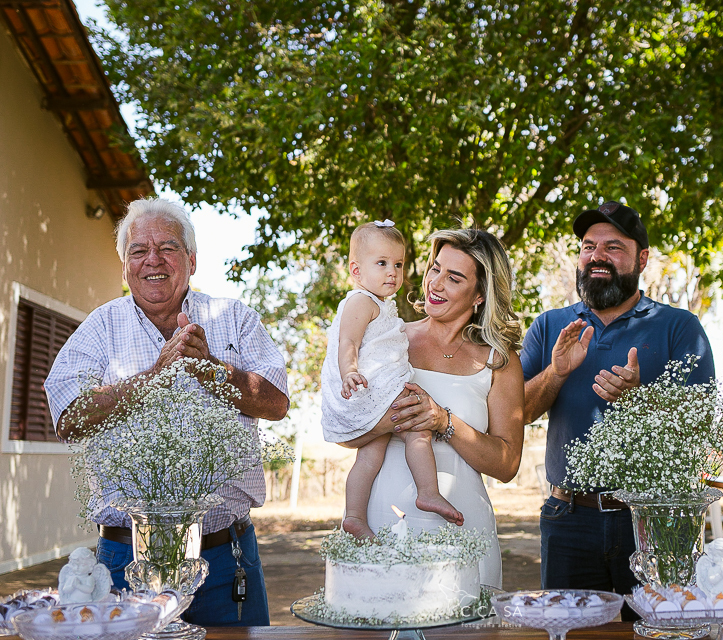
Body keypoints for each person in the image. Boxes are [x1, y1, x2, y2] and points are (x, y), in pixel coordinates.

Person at [44, 197, 289, 627]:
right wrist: (153, 377)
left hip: (225, 558)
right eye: (138, 250)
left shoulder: (235, 318)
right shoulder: (100, 327)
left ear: (191, 260)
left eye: (168, 248)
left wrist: (211, 369)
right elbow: (68, 417)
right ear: (125, 266)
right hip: (125, 560)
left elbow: (276, 402)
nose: (152, 260)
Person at [521, 201, 715, 609]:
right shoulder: (550, 325)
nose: (597, 256)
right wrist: (556, 372)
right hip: (567, 520)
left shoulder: (680, 327)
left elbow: (702, 425)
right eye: (588, 246)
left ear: (642, 259)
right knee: (569, 632)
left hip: (654, 520)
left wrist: (641, 399)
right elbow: (517, 413)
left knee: (657, 630)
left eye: (613, 247)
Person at [338, 228, 525, 588]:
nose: (435, 284)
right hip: (376, 521)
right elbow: (343, 429)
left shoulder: (499, 361)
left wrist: (443, 420)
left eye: (454, 278)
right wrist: (394, 420)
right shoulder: (386, 338)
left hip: (461, 524)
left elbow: (507, 465)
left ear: (480, 294)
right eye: (435, 269)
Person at [321, 220, 462, 541]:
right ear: (356, 271)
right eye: (382, 263)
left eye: (398, 264)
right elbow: (347, 342)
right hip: (370, 388)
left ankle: (354, 517)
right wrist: (349, 371)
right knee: (418, 428)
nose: (392, 273)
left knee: (370, 455)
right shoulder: (361, 301)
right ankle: (428, 492)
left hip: (373, 393)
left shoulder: (380, 305)